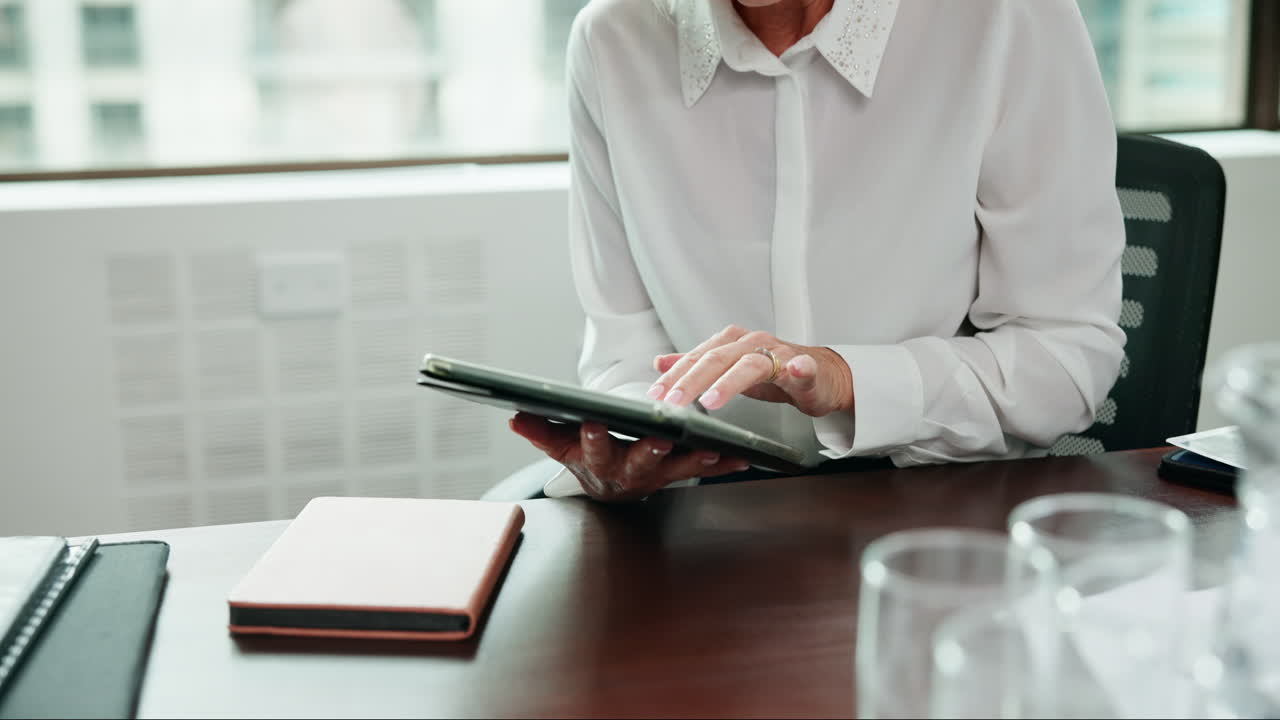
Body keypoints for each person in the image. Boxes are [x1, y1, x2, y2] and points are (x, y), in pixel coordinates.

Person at [510, 0, 1126, 501]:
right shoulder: (611, 38)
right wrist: (628, 446)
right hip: (709, 521)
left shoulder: (1007, 18)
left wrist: (846, 379)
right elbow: (626, 358)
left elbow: (1067, 359)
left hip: (940, 515)